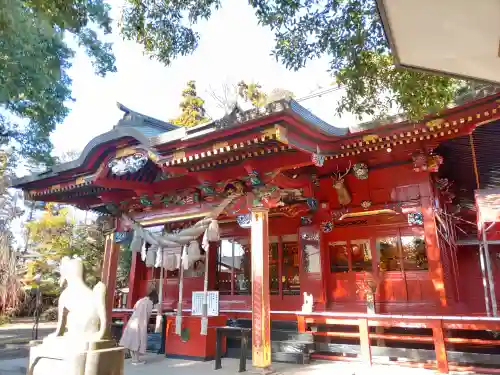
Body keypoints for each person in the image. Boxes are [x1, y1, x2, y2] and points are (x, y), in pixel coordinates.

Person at [119, 290, 159, 365]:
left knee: (132, 341)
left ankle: (133, 359)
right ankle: (136, 360)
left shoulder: (140, 300)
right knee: (138, 341)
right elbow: (147, 315)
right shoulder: (149, 303)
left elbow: (134, 308)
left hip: (132, 321)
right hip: (140, 324)